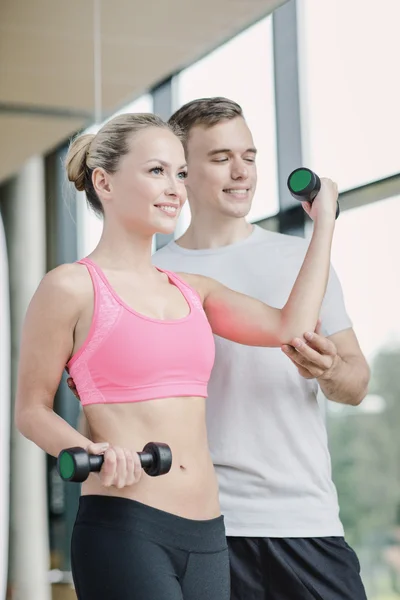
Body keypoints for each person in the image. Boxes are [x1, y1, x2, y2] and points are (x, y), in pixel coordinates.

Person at [15, 111, 339, 600]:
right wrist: (88, 450)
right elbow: (31, 409)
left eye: (180, 173)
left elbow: (288, 326)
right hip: (126, 526)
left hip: (208, 533)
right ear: (104, 181)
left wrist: (324, 226)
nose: (175, 188)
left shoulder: (192, 290)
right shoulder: (71, 287)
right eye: (156, 171)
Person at [152, 98, 370, 600]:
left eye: (249, 156)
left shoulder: (302, 259)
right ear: (181, 171)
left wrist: (330, 369)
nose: (241, 172)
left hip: (304, 519)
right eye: (220, 157)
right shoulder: (156, 277)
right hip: (203, 524)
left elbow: (356, 384)